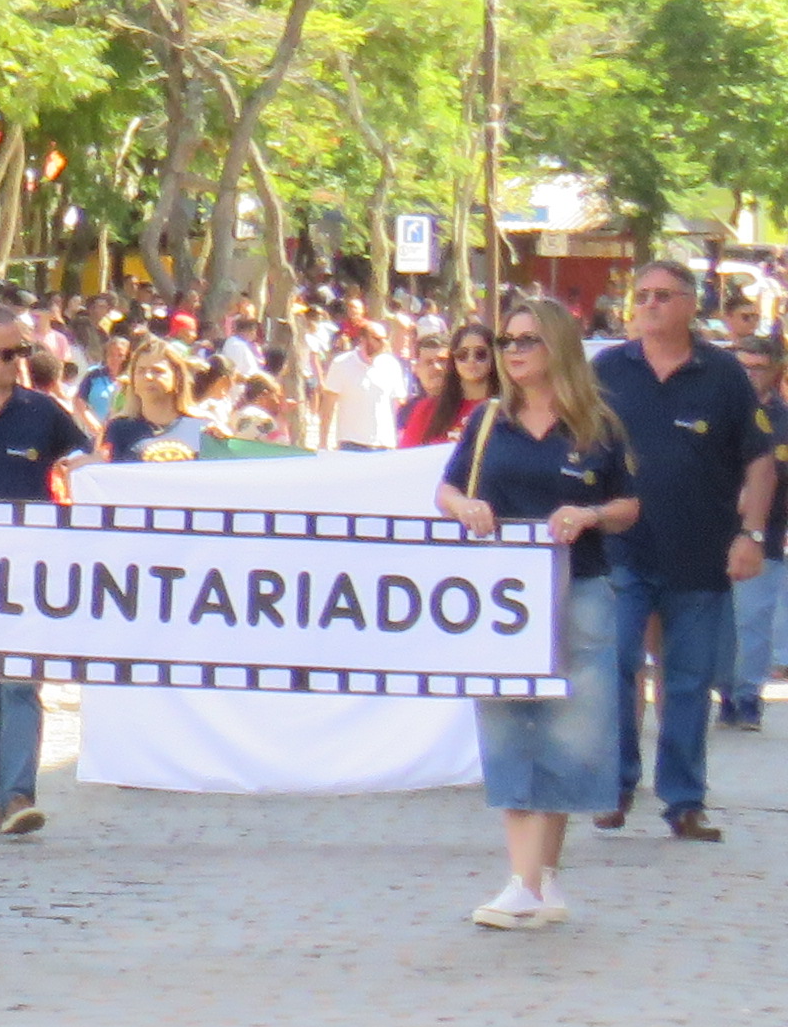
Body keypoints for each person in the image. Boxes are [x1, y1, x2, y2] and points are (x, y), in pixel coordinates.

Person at [444, 296, 636, 930]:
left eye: (526, 340)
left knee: (568, 728)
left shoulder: (597, 424)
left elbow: (629, 505)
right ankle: (523, 881)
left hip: (578, 587)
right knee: (509, 724)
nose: (513, 352)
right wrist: (465, 508)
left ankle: (540, 877)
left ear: (558, 347)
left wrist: (589, 514)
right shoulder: (487, 421)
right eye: (507, 341)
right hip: (501, 598)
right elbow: (448, 487)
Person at [588, 260, 773, 839]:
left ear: (692, 304)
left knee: (689, 681)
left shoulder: (722, 373)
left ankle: (685, 800)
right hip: (621, 552)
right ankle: (615, 784)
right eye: (642, 295)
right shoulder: (608, 369)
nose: (650, 305)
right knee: (615, 665)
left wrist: (752, 535)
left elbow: (760, 460)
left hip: (700, 555)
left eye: (664, 295)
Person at [0, 301, 91, 838]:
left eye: (23, 352)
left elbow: (88, 457)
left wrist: (86, 467)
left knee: (20, 684)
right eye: (5, 354)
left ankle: (18, 795)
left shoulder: (42, 411)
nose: (17, 363)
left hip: (29, 569)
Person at [739, 335, 788, 732]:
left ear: (776, 371)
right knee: (720, 620)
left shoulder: (784, 420)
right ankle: (726, 687)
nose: (750, 374)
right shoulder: (719, 410)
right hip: (711, 531)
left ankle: (747, 696)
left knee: (754, 619)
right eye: (743, 366)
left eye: (758, 367)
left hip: (766, 534)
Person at [102, 343, 215, 463]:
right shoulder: (118, 429)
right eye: (141, 371)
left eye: (157, 371)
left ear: (178, 377)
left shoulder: (203, 427)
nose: (148, 377)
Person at [322, 316, 409, 453]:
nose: (383, 343)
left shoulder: (391, 365)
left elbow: (397, 404)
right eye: (377, 339)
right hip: (351, 444)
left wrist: (398, 439)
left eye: (384, 339)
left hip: (384, 444)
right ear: (362, 339)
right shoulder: (341, 364)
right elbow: (328, 405)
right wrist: (323, 442)